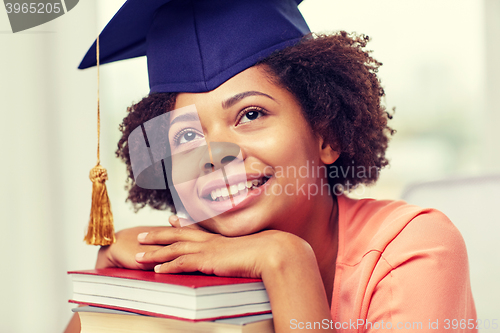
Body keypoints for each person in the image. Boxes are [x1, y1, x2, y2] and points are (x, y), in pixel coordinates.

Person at [65, 1, 477, 332]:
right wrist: (124, 292)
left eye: (250, 114)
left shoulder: (414, 247)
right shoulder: (180, 269)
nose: (214, 154)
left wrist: (285, 263)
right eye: (186, 137)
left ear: (326, 134)